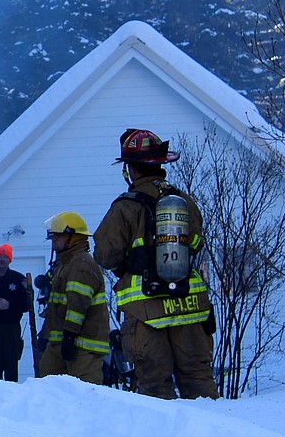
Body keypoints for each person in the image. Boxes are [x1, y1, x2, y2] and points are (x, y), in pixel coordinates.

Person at [93, 128, 219, 400]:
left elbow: (104, 254)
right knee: (199, 380)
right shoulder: (182, 201)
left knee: (154, 386)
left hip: (146, 309)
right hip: (189, 304)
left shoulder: (126, 207)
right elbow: (196, 241)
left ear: (132, 170)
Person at [36, 211, 110, 384]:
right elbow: (56, 306)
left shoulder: (81, 264)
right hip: (61, 341)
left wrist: (69, 337)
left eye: (58, 236)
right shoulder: (66, 263)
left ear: (73, 238)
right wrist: (46, 334)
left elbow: (77, 305)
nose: (54, 241)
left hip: (84, 344)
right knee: (47, 385)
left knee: (85, 392)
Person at [0, 243, 32, 381]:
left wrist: (10, 305)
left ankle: (11, 397)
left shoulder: (19, 279)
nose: (2, 260)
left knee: (11, 367)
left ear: (10, 260)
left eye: (5, 257)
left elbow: (27, 304)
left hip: (11, 329)